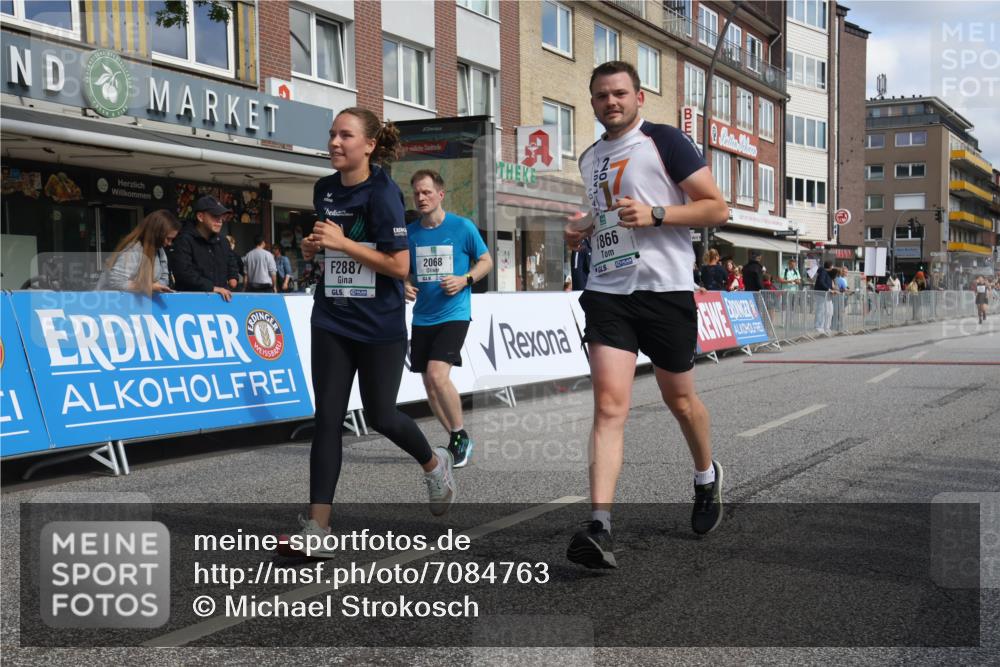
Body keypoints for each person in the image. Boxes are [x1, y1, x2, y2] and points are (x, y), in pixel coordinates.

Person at [563, 61, 730, 569]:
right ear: (592, 102)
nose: (610, 102)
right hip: (609, 291)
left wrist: (660, 213)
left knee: (680, 401)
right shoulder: (590, 158)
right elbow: (611, 214)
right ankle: (600, 525)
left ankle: (706, 477)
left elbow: (716, 208)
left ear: (638, 97)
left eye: (619, 94)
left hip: (665, 291)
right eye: (600, 96)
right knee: (610, 407)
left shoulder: (665, 140)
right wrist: (586, 228)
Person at [285, 107, 455, 557]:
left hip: (378, 324)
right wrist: (316, 247)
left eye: (346, 136)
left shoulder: (382, 193)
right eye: (332, 135)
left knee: (381, 415)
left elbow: (400, 266)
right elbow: (329, 248)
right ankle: (318, 529)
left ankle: (435, 464)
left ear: (369, 145)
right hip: (332, 317)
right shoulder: (324, 189)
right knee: (327, 418)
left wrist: (344, 244)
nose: (335, 143)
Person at [404, 169, 492, 468]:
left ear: (440, 194)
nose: (421, 197)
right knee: (429, 384)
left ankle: (459, 435)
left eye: (427, 192)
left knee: (438, 375)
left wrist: (465, 279)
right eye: (417, 192)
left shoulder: (462, 227)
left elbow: (486, 261)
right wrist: (403, 283)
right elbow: (402, 269)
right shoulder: (411, 233)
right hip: (422, 316)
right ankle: (457, 437)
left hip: (454, 313)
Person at [169, 196, 240, 301]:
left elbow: (232, 262)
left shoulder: (223, 241)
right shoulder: (184, 240)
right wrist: (212, 288)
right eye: (215, 216)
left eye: (221, 217)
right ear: (200, 216)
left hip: (221, 302)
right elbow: (183, 272)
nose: (220, 221)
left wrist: (233, 277)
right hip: (191, 303)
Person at [97, 209, 180, 294]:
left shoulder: (159, 251)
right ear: (157, 233)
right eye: (168, 238)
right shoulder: (134, 249)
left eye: (172, 239)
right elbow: (116, 281)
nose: (170, 243)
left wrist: (153, 286)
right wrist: (148, 286)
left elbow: (163, 280)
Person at [813, 260, 834, 334]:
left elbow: (828, 283)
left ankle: (826, 327)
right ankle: (818, 326)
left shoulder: (828, 273)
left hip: (827, 294)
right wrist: (829, 289)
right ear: (830, 266)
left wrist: (832, 290)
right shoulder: (823, 272)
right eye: (832, 266)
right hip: (820, 294)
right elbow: (821, 282)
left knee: (829, 311)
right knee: (821, 310)